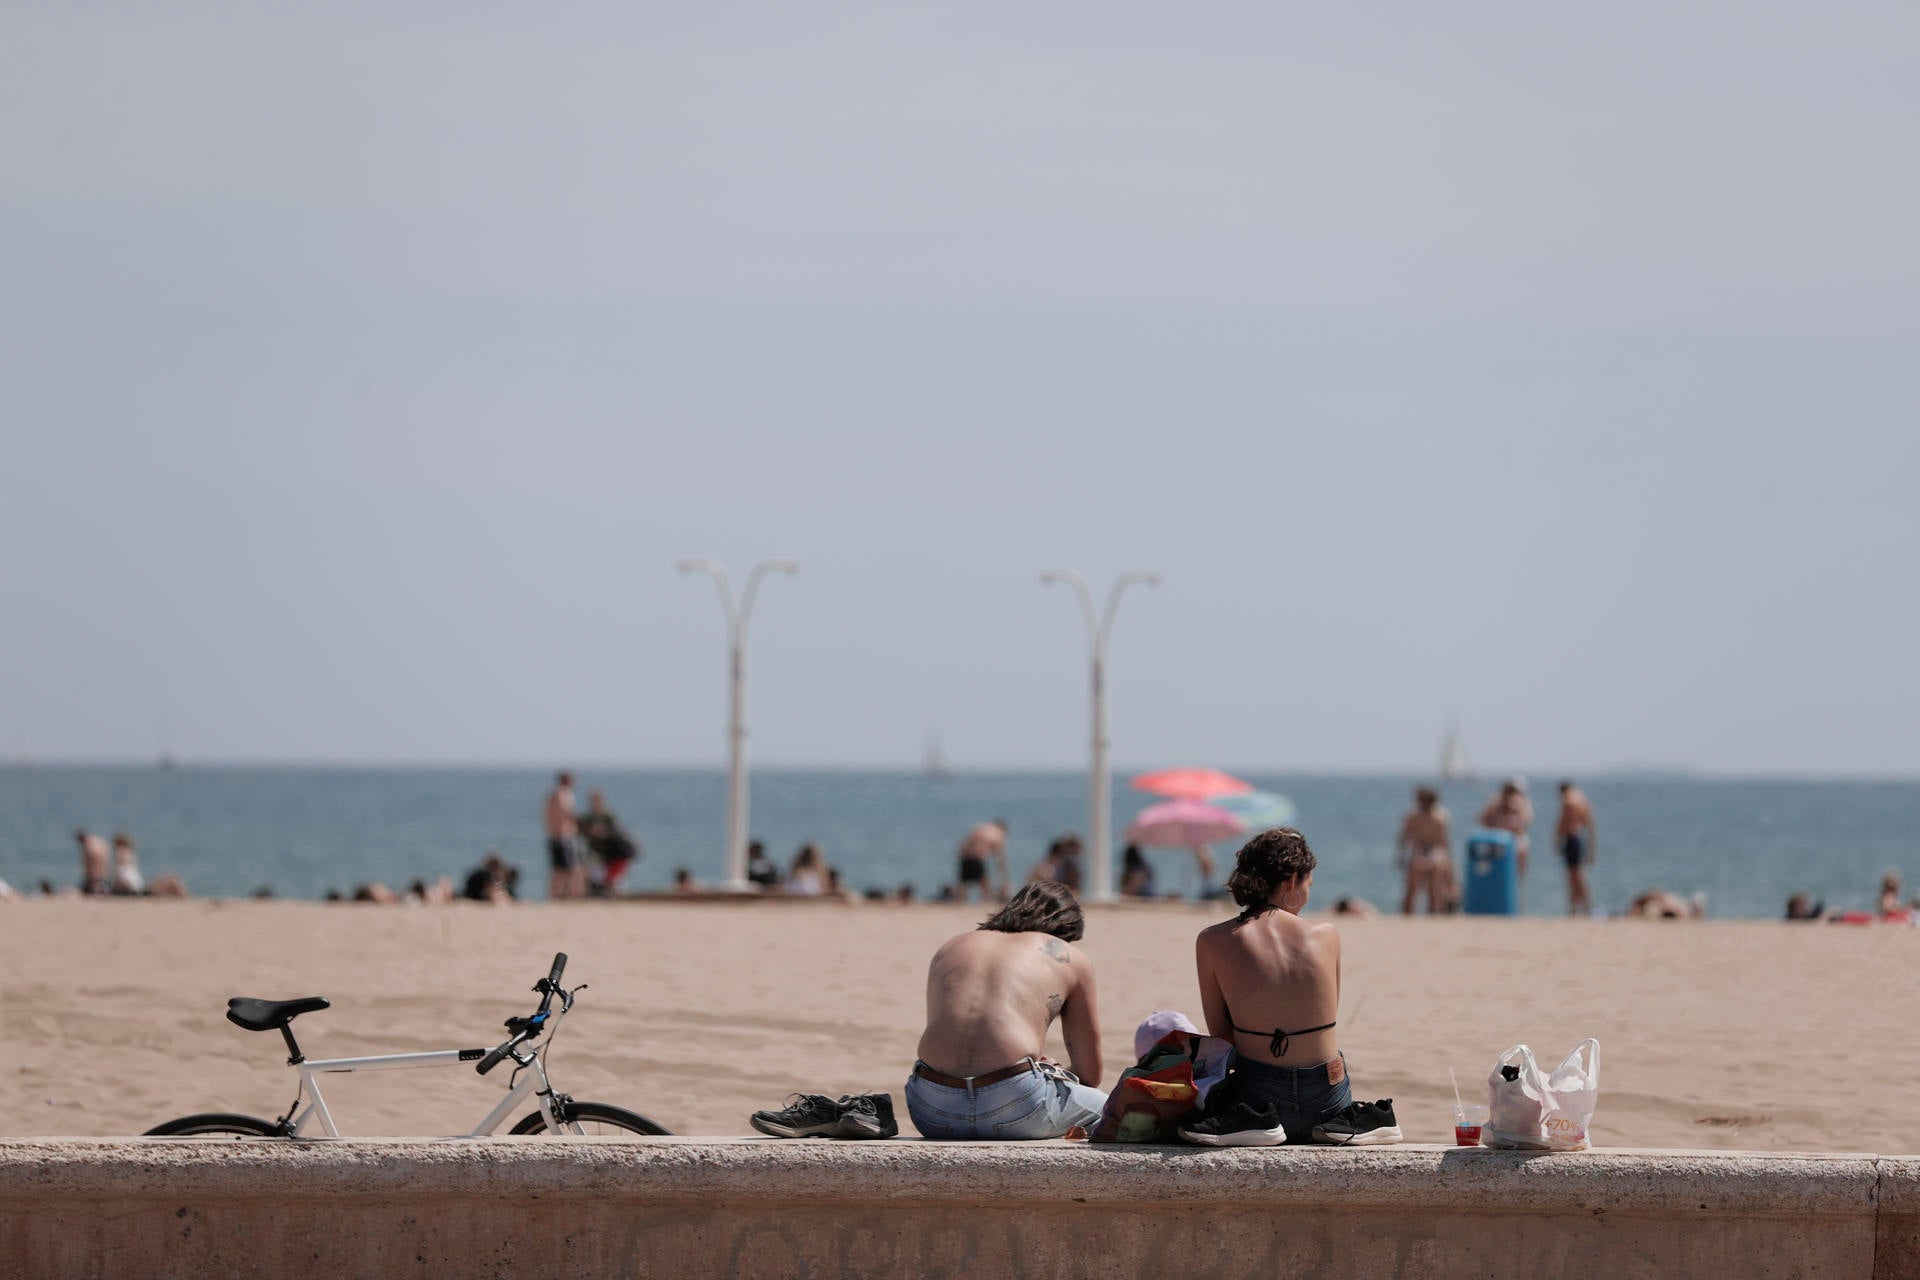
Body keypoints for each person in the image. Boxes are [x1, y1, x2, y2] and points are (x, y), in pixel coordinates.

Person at [1188, 827, 1399, 1146]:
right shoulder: (1326, 935)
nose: (1308, 893)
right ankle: (1346, 1123)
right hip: (1327, 1102)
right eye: (1308, 884)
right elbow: (1325, 1014)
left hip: (1257, 1101)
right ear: (1290, 882)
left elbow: (1221, 1035)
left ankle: (1258, 1124)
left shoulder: (1212, 940)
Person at [904, 881, 1105, 1139]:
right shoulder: (1068, 955)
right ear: (1066, 930)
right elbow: (1089, 1074)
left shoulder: (951, 947)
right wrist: (1053, 1072)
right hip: (1017, 1106)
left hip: (929, 1109)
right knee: (1114, 1110)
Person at [1395, 787, 1454, 915]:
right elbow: (1404, 837)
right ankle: (1407, 915)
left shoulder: (1440, 817)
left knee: (1435, 885)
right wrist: (1401, 855)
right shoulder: (1413, 816)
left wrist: (1448, 862)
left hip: (1434, 852)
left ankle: (1433, 912)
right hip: (1418, 851)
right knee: (1412, 886)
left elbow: (1443, 841)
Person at [578, 790, 640, 896]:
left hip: (609, 853)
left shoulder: (608, 816)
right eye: (593, 801)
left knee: (610, 880)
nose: (595, 803)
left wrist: (604, 832)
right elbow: (581, 833)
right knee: (592, 878)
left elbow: (617, 832)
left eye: (597, 800)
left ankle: (607, 891)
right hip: (594, 853)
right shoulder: (587, 818)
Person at [1555, 780, 1598, 916]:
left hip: (1571, 838)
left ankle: (1576, 909)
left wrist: (1556, 840)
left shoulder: (1568, 801)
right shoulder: (1582, 799)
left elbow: (1562, 823)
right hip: (1580, 838)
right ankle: (1583, 907)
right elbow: (1590, 825)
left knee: (1574, 877)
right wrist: (1592, 849)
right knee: (1579, 875)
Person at [1479, 778, 1534, 881]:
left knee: (1517, 871)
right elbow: (1483, 819)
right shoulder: (1495, 802)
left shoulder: (1523, 803)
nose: (1510, 793)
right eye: (1509, 790)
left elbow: (1526, 821)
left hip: (1516, 841)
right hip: (1496, 840)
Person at [544, 772, 585, 901]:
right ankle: (566, 896)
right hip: (563, 836)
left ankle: (555, 896)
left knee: (559, 869)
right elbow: (567, 813)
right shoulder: (563, 794)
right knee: (568, 869)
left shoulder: (553, 795)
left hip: (555, 835)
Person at [955, 819, 1008, 902]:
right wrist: (1004, 880)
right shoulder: (998, 834)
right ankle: (986, 901)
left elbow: (964, 844)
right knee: (984, 883)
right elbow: (1000, 859)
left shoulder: (980, 828)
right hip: (978, 858)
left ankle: (959, 901)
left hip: (965, 857)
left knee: (963, 883)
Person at [75, 830, 110, 895]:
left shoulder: (88, 846)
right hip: (102, 874)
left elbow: (90, 863)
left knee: (88, 890)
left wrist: (89, 874)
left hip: (94, 876)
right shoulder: (99, 842)